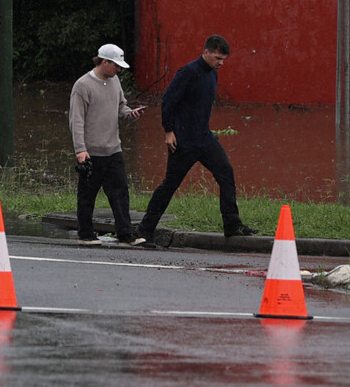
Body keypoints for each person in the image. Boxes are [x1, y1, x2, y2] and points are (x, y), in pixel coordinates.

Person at [137, 35, 256, 245]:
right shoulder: (188, 72)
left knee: (226, 174)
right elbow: (167, 101)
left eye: (223, 59)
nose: (221, 63)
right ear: (206, 52)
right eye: (218, 58)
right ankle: (144, 231)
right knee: (169, 185)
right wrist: (169, 131)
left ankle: (232, 225)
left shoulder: (212, 74)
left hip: (205, 139)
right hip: (183, 143)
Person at [70, 43, 143, 245]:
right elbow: (76, 120)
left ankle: (125, 234)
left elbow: (121, 107)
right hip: (91, 152)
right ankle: (85, 234)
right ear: (104, 62)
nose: (118, 70)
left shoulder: (115, 81)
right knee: (87, 195)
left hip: (114, 149)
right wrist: (80, 150)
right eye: (116, 66)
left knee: (120, 193)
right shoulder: (82, 86)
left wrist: (130, 114)